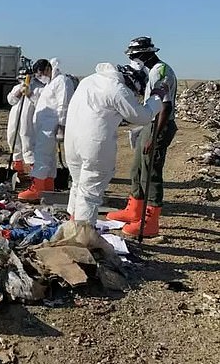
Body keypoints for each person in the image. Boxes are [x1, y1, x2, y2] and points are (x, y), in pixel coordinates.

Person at [64, 62, 166, 224]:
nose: (134, 94)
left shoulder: (89, 80)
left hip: (72, 143)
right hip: (94, 145)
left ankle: (72, 224)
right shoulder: (118, 89)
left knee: (78, 184)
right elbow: (142, 117)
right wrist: (156, 97)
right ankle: (81, 237)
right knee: (90, 193)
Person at [106, 37, 178, 238]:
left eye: (136, 55)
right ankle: (134, 209)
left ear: (147, 53)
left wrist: (154, 137)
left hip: (159, 125)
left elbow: (166, 106)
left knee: (150, 172)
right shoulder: (151, 72)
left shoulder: (161, 71)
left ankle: (150, 220)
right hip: (150, 124)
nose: (134, 59)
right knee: (137, 168)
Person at [18, 58, 74, 201]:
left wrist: (62, 126)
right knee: (49, 159)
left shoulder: (62, 81)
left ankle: (37, 188)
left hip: (51, 126)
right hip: (44, 126)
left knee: (41, 156)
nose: (39, 77)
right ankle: (47, 187)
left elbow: (64, 104)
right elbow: (43, 103)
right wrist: (30, 94)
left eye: (40, 74)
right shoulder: (50, 84)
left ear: (48, 69)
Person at [6, 69, 45, 174]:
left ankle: (32, 168)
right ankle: (17, 167)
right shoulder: (16, 88)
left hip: (28, 118)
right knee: (13, 137)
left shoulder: (39, 89)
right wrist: (19, 92)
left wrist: (29, 94)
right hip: (15, 117)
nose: (24, 80)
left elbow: (39, 103)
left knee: (27, 138)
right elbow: (10, 100)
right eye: (22, 78)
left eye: (26, 78)